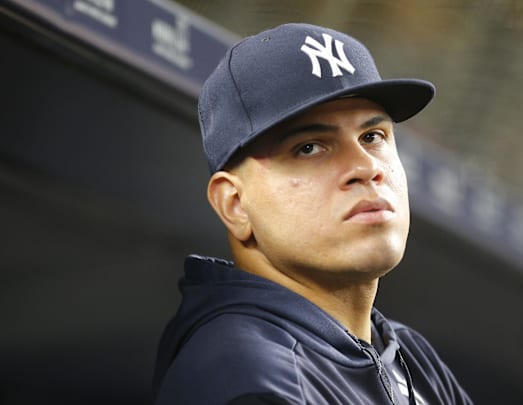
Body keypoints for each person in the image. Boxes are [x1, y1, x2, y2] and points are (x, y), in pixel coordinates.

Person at [152, 23, 472, 405]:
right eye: (309, 147)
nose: (366, 166)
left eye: (373, 136)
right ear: (234, 204)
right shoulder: (250, 378)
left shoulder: (408, 355)